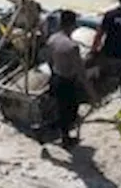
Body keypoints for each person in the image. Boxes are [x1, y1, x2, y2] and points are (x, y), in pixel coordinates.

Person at [47, 10, 85, 147]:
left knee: (62, 110)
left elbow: (49, 61)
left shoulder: (52, 39)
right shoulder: (72, 46)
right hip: (67, 81)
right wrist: (91, 92)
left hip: (56, 77)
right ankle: (63, 138)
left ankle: (59, 134)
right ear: (73, 24)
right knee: (71, 112)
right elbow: (81, 71)